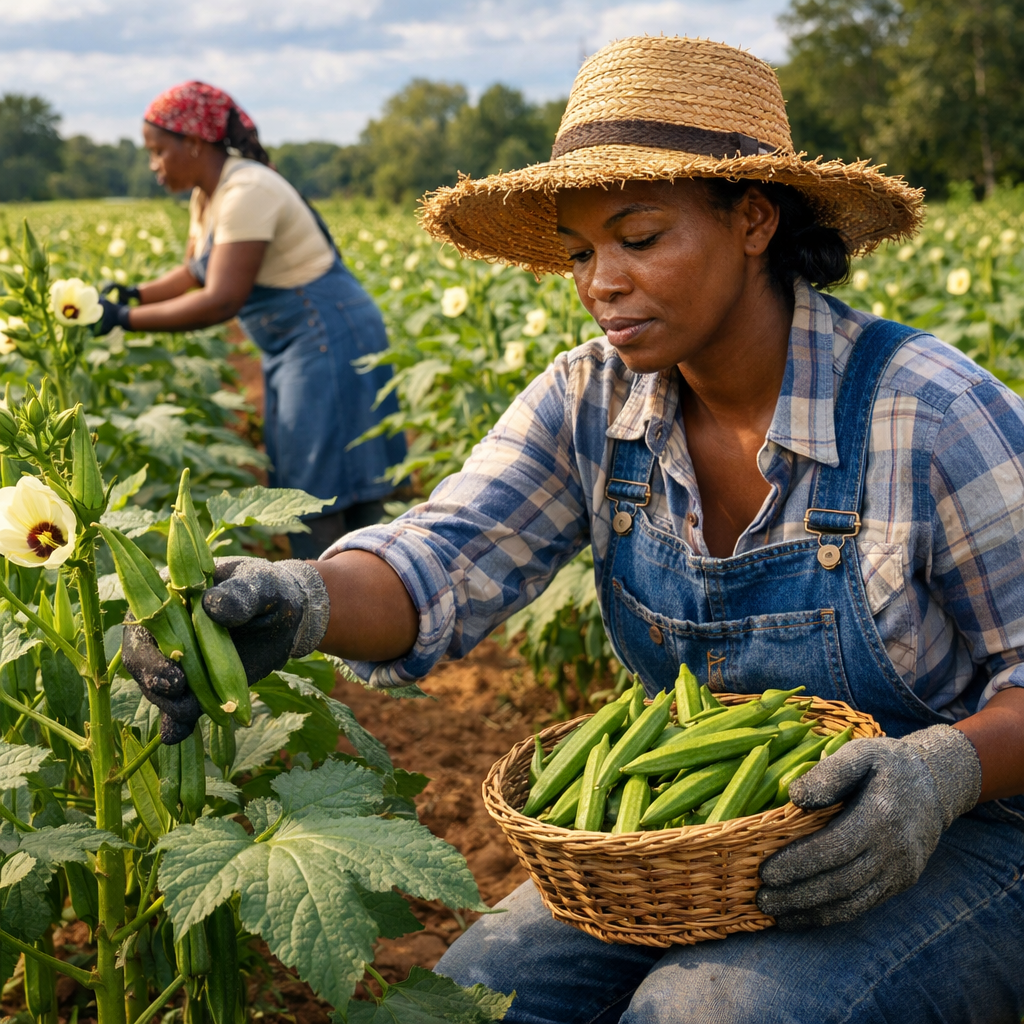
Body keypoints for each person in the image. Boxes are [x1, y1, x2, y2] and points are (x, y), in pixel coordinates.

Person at [123, 39, 1024, 1023]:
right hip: (688, 831)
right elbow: (441, 559)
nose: (601, 281)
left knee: (703, 1012)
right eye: (582, 250)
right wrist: (299, 599)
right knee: (470, 1003)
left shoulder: (927, 411)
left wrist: (936, 773)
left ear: (754, 219)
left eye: (639, 238)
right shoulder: (590, 399)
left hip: (956, 830)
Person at [95, 80, 406, 558]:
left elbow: (220, 299)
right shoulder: (211, 195)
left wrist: (124, 318)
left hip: (327, 332)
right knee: (311, 472)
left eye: (158, 152)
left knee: (318, 485)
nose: (154, 166)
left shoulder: (247, 190)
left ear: (194, 143)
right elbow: (196, 271)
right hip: (295, 341)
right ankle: (342, 595)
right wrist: (134, 294)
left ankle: (340, 602)